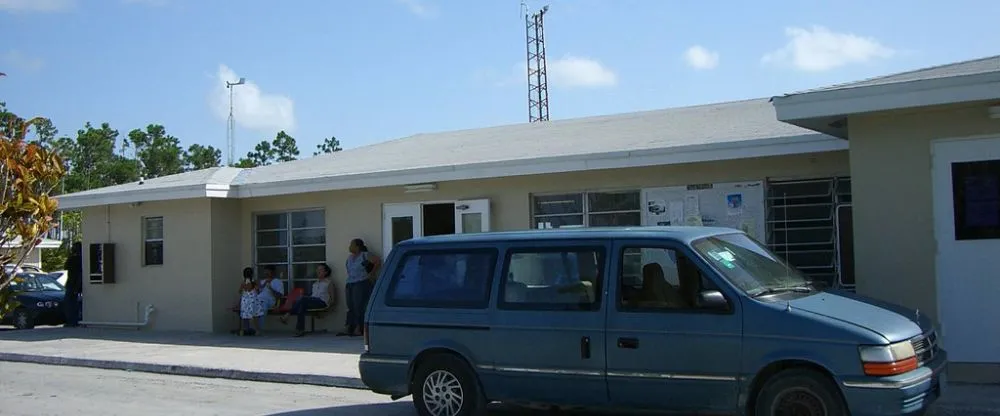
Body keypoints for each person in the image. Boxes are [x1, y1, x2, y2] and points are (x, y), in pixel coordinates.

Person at [338, 238, 380, 337]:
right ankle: (349, 327)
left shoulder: (365, 255)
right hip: (350, 283)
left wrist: (371, 273)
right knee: (350, 306)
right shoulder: (349, 257)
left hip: (361, 283)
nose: (350, 246)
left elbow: (377, 261)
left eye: (351, 244)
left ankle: (358, 328)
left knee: (359, 306)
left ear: (357, 246)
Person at [280, 264, 334, 337]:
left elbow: (332, 298)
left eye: (320, 270)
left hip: (322, 302)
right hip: (313, 301)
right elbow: (312, 296)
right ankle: (300, 329)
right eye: (317, 269)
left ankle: (287, 315)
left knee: (302, 299)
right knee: (301, 305)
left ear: (326, 272)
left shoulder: (329, 283)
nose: (318, 271)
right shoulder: (315, 283)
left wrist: (329, 308)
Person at [254, 265, 285, 332]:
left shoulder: (278, 282)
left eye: (268, 272)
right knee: (252, 303)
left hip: (270, 301)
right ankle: (249, 329)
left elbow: (280, 296)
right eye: (265, 272)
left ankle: (259, 329)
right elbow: (258, 292)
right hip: (259, 299)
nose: (266, 274)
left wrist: (271, 289)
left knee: (262, 306)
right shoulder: (263, 281)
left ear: (273, 272)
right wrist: (257, 287)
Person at [62, 242, 83, 327]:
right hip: (77, 283)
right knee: (75, 304)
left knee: (70, 304)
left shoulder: (74, 259)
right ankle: (76, 320)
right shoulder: (82, 259)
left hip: (73, 284)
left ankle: (72, 321)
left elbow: (66, 266)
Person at [238, 268, 262, 336]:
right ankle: (257, 330)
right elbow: (257, 290)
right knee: (255, 315)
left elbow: (239, 291)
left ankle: (242, 331)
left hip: (245, 300)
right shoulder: (254, 282)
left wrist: (243, 288)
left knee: (243, 315)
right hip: (253, 300)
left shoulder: (243, 282)